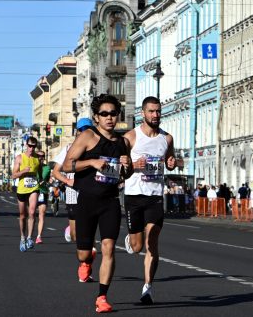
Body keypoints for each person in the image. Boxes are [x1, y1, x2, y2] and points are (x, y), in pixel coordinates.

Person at [63, 94, 132, 313]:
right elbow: (66, 165)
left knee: (109, 247)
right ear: (96, 117)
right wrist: (92, 161)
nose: (109, 118)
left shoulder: (122, 142)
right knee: (84, 252)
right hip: (86, 201)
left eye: (113, 113)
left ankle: (102, 296)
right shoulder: (87, 137)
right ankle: (86, 261)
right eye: (104, 114)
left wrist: (127, 165)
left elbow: (125, 176)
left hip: (110, 201)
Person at [123, 96, 179, 305]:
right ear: (143, 113)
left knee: (152, 241)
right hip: (134, 195)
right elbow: (121, 168)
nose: (155, 115)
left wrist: (172, 163)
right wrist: (134, 166)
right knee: (137, 247)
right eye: (151, 111)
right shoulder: (130, 137)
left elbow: (170, 161)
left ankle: (148, 287)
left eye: (158, 111)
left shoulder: (167, 139)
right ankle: (131, 239)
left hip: (155, 196)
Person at [51, 118, 94, 245]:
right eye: (82, 130)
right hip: (72, 192)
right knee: (75, 235)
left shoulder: (96, 149)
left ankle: (87, 258)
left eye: (88, 130)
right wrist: (66, 180)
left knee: (88, 228)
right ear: (77, 132)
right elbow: (56, 171)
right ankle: (70, 230)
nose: (85, 133)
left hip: (90, 191)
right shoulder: (69, 148)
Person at [12, 135, 41, 252]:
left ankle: (29, 238)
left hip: (34, 187)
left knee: (33, 212)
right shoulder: (19, 158)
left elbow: (39, 171)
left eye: (34, 146)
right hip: (22, 189)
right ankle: (22, 237)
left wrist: (42, 180)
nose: (32, 149)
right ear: (26, 145)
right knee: (22, 215)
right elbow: (13, 175)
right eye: (30, 146)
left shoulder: (37, 159)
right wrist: (23, 171)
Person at [35, 150, 51, 244]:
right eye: (38, 156)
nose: (40, 158)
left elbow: (47, 178)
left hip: (42, 192)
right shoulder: (32, 167)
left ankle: (39, 236)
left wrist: (49, 182)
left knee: (42, 214)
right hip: (32, 192)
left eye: (42, 156)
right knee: (32, 214)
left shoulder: (47, 168)